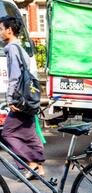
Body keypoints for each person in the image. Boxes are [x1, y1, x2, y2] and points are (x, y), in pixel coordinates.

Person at [0, 15, 45, 179]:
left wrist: (10, 99)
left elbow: (15, 77)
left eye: (1, 29)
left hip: (20, 100)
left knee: (7, 133)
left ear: (9, 30)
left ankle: (30, 162)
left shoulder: (12, 48)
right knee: (29, 134)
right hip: (30, 98)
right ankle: (39, 166)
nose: (0, 33)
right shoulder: (21, 48)